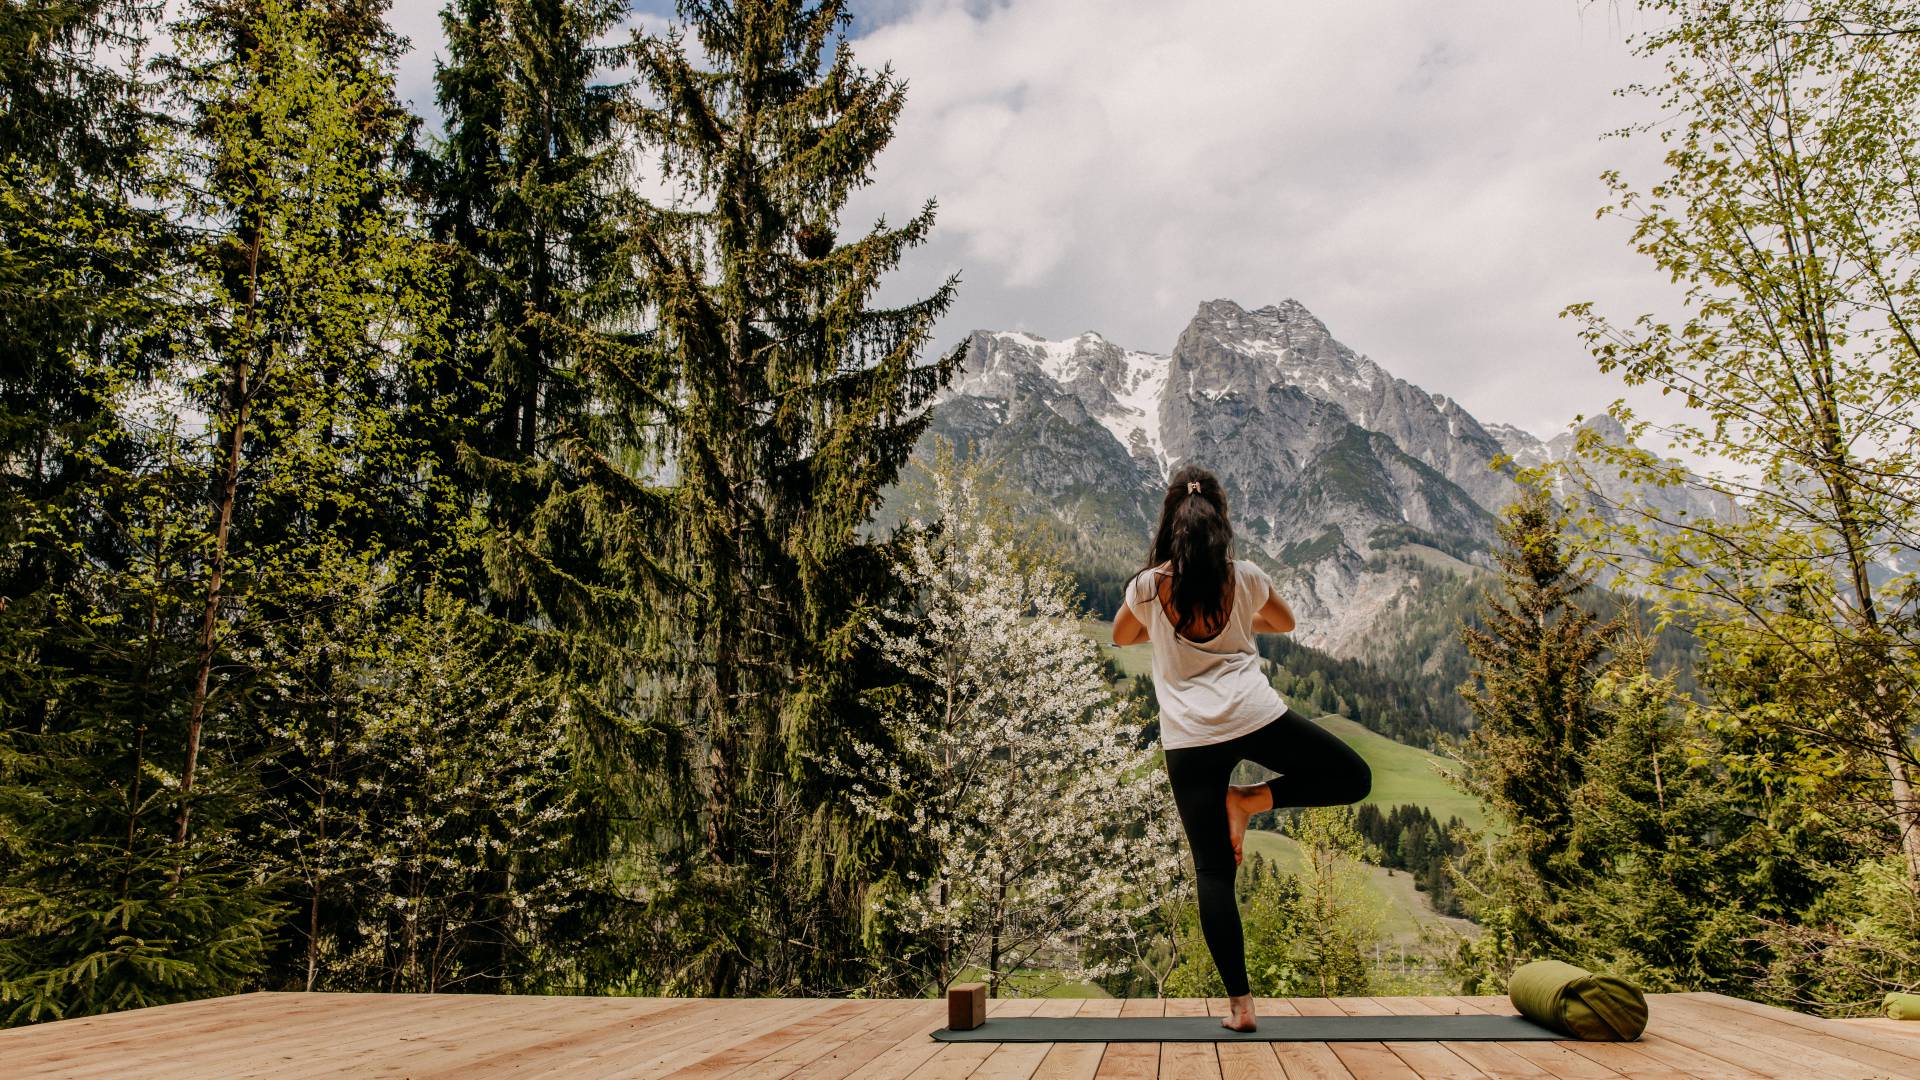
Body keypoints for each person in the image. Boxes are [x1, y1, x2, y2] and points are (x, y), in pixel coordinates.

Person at [1111, 463, 1371, 1032]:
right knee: (1352, 778)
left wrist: (1161, 613)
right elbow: (1286, 621)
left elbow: (1121, 636)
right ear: (1220, 521)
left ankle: (1241, 1009)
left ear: (1170, 521)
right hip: (1255, 716)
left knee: (1212, 872)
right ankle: (1252, 800)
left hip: (1189, 741)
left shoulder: (1147, 588)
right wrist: (1239, 613)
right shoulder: (1246, 577)